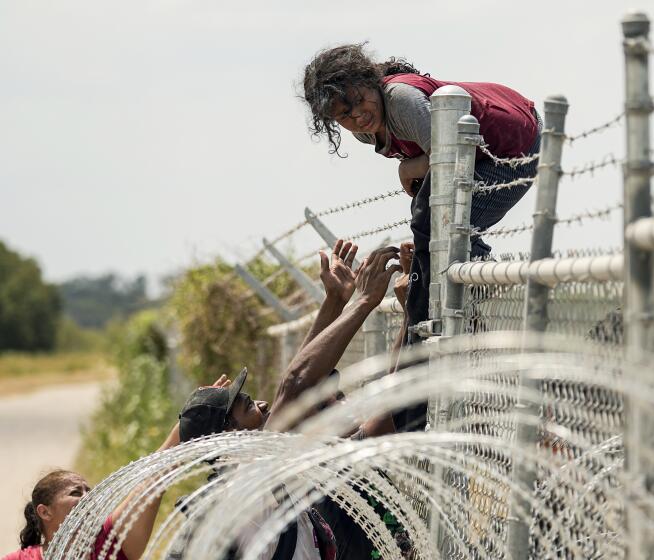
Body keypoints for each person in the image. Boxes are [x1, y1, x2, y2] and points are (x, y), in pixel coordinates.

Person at [301, 43, 542, 346]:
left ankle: (463, 291)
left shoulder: (401, 101)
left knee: (438, 226)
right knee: (429, 222)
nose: (358, 117)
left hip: (515, 144)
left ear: (369, 81)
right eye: (344, 115)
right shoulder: (366, 131)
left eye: (360, 102)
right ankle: (449, 305)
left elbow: (451, 155)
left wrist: (407, 169)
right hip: (476, 153)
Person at [176, 242, 403, 560]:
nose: (265, 405)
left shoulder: (244, 483)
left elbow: (299, 386)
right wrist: (363, 302)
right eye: (248, 406)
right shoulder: (250, 479)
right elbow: (296, 385)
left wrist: (335, 302)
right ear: (231, 434)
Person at [2, 416, 185, 560]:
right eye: (75, 493)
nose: (88, 498)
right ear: (45, 512)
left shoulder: (109, 544)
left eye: (88, 491)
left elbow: (152, 480)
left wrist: (190, 419)